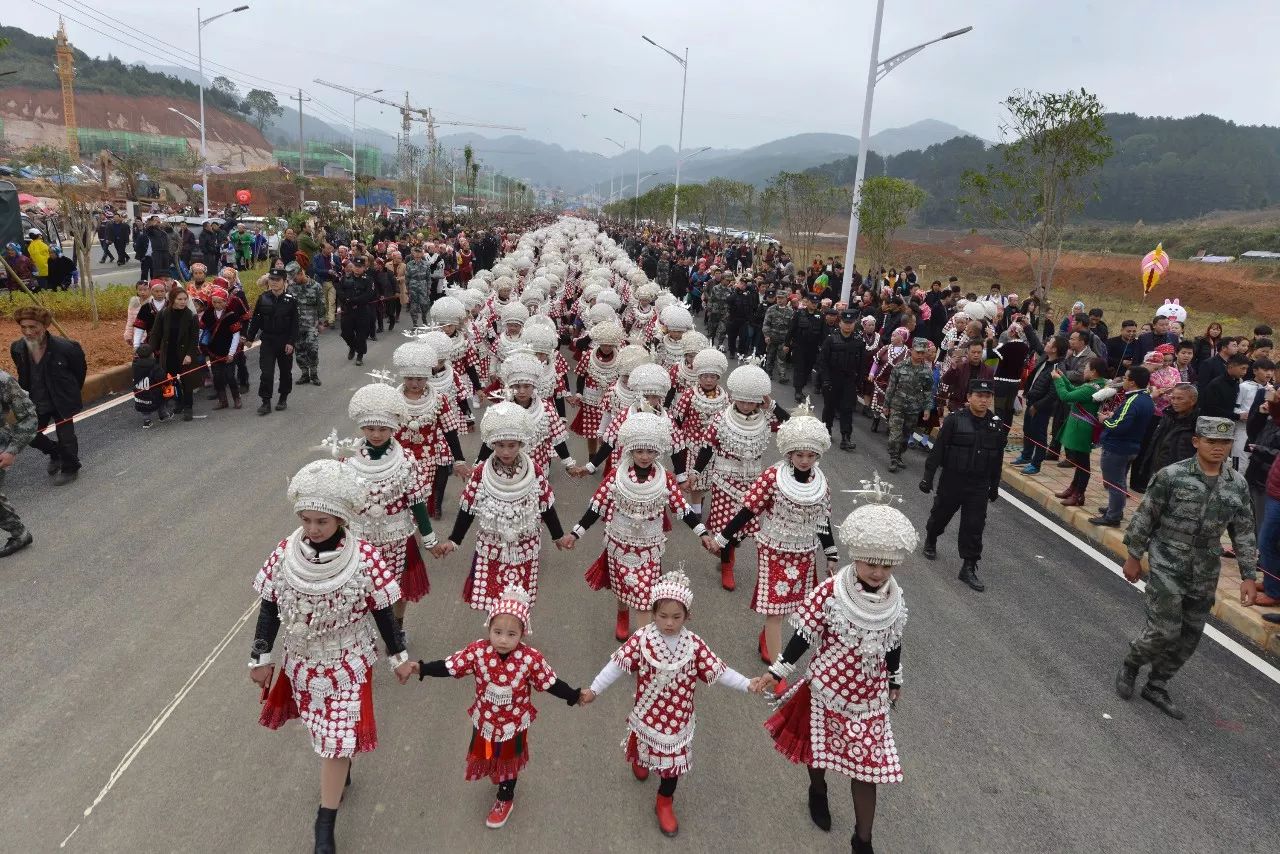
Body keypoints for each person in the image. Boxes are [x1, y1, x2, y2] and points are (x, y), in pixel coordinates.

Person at [249, 459, 415, 854]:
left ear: (340, 519)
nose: (312, 528)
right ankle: (340, 772)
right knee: (324, 737)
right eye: (305, 519)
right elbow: (270, 605)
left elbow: (382, 611)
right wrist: (260, 657)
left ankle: (325, 824)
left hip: (348, 664)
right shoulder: (285, 552)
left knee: (335, 743)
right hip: (302, 663)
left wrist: (399, 656)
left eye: (321, 521)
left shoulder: (366, 559)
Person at [755, 477, 916, 854]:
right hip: (826, 687)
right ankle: (818, 789)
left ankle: (863, 841)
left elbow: (892, 639)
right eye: (871, 564)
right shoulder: (831, 591)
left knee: (868, 769)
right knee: (820, 750)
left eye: (886, 567)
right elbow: (803, 635)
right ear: (856, 556)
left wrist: (894, 677)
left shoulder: (895, 597)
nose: (878, 573)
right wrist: (777, 670)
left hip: (869, 696)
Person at [580, 570, 758, 838]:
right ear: (652, 613)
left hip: (678, 720)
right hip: (648, 713)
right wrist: (594, 689)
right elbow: (617, 666)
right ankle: (640, 758)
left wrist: (747, 683)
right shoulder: (642, 639)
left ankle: (664, 800)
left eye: (676, 617)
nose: (669, 623)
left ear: (688, 616)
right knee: (644, 742)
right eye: (662, 616)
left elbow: (719, 671)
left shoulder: (694, 645)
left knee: (672, 766)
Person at [1116, 417, 1259, 720]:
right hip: (1168, 559)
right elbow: (1145, 517)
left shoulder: (1237, 484)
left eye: (1224, 443)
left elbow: (1244, 531)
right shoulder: (1172, 475)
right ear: (1197, 442)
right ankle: (1132, 663)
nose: (1218, 448)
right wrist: (1133, 555)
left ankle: (1157, 684)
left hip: (1206, 566)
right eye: (1212, 442)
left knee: (1190, 633)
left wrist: (1248, 576)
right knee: (1165, 630)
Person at [408, 585, 581, 829]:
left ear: (523, 633)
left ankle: (505, 798)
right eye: (497, 631)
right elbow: (450, 666)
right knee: (489, 754)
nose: (502, 639)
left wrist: (574, 695)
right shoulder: (478, 652)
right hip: (486, 721)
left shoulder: (530, 659)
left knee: (508, 762)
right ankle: (497, 773)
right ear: (488, 628)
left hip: (514, 724)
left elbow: (550, 683)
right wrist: (422, 668)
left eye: (511, 634)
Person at [569, 412, 714, 641]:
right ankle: (621, 614)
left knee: (646, 596)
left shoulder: (665, 478)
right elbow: (596, 507)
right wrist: (575, 534)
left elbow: (682, 509)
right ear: (630, 450)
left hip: (649, 548)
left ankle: (641, 645)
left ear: (658, 451)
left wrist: (702, 533)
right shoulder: (616, 476)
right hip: (619, 543)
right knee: (623, 589)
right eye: (639, 451)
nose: (645, 456)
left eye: (650, 451)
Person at [711, 402, 836, 667]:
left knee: (793, 605)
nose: (804, 460)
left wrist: (831, 554)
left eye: (810, 455)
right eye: (799, 454)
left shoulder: (821, 483)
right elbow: (748, 510)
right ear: (789, 452)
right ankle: (778, 669)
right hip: (773, 548)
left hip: (805, 550)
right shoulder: (772, 476)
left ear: (818, 455)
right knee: (775, 608)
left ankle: (767, 638)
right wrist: (723, 538)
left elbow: (823, 520)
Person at [435, 398, 566, 611]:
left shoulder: (534, 471)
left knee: (519, 601)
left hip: (525, 545)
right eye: (500, 445)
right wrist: (454, 540)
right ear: (492, 444)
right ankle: (497, 639)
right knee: (493, 599)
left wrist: (558, 536)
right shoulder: (480, 473)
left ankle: (515, 638)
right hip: (492, 545)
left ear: (522, 443)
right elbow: (468, 509)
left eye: (512, 445)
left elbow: (546, 506)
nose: (506, 452)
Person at [342, 383, 438, 632]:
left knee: (399, 588)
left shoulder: (406, 460)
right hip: (360, 537)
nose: (376, 434)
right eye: (370, 428)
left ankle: (397, 624)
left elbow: (416, 500)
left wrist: (429, 538)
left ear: (394, 428)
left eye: (383, 428)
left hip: (398, 536)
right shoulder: (349, 459)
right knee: (361, 586)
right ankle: (364, 626)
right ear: (362, 427)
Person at [688, 364, 789, 590]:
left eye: (750, 401)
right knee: (727, 526)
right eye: (741, 400)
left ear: (758, 401)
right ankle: (727, 566)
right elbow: (707, 447)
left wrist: (772, 404)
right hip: (724, 480)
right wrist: (696, 472)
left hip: (753, 482)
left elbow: (790, 425)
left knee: (742, 530)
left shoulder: (765, 418)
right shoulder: (720, 419)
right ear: (734, 398)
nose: (745, 405)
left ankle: (726, 549)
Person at [918, 379, 1003, 592]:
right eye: (979, 395)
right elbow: (938, 450)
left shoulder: (995, 424)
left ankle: (968, 567)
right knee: (941, 516)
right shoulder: (955, 420)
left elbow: (997, 457)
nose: (983, 400)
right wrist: (928, 477)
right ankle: (931, 538)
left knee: (974, 526)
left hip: (979, 484)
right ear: (969, 397)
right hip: (953, 480)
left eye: (987, 396)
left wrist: (995, 485)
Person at [9, 307, 86, 483]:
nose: (28, 332)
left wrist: (70, 393)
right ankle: (55, 452)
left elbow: (79, 372)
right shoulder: (18, 348)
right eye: (23, 327)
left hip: (61, 400)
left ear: (44, 326)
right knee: (30, 435)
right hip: (35, 401)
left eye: (33, 327)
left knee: (66, 437)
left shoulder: (67, 347)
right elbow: (22, 372)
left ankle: (71, 467)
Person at [1089, 366, 1155, 527]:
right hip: (1132, 445)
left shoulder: (1133, 400)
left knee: (1113, 482)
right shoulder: (1146, 399)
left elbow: (1120, 425)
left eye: (1125, 378)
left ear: (1132, 382)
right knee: (1119, 480)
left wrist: (1105, 420)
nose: (1123, 381)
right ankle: (1114, 508)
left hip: (1118, 446)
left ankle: (1113, 516)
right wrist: (1114, 416)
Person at [1051, 357, 1108, 506]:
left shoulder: (1091, 387)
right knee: (1080, 460)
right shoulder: (1096, 384)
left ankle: (1079, 494)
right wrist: (1063, 377)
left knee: (1083, 464)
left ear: (1094, 372)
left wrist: (1057, 380)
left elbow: (1066, 396)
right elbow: (1074, 390)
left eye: (1087, 368)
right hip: (1081, 427)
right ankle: (1073, 488)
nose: (1084, 371)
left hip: (1083, 428)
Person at [246, 269, 299, 415]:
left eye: (277, 279)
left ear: (284, 281)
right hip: (268, 340)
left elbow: (295, 323)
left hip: (284, 341)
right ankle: (265, 401)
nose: (274, 282)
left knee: (285, 372)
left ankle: (283, 397)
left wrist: (291, 342)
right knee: (266, 373)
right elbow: (256, 319)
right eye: (271, 279)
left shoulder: (291, 300)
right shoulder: (263, 298)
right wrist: (250, 338)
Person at [148, 285, 200, 421]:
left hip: (184, 354)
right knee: (171, 381)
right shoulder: (163, 314)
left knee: (186, 381)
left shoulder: (191, 316)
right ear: (172, 299)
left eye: (185, 299)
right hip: (168, 353)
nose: (183, 302)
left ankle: (188, 407)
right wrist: (149, 351)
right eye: (179, 299)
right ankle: (179, 402)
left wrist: (190, 354)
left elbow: (195, 338)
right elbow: (155, 334)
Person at [816, 309, 866, 451]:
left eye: (851, 323)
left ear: (855, 323)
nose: (848, 326)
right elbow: (823, 361)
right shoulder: (831, 339)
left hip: (849, 380)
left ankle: (846, 437)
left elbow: (862, 364)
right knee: (829, 408)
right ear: (840, 322)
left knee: (847, 409)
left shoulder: (858, 341)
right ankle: (826, 431)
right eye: (845, 322)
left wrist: (859, 382)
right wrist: (825, 380)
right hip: (832, 379)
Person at [884, 338, 935, 473]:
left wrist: (927, 408)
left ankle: (899, 455)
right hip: (897, 406)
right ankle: (893, 458)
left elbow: (929, 391)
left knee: (906, 436)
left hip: (913, 409)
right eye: (918, 352)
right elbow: (891, 387)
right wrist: (886, 405)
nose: (920, 355)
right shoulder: (899, 367)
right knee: (895, 435)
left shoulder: (927, 371)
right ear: (911, 351)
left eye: (923, 353)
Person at [198, 287, 243, 411]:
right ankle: (222, 400)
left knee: (230, 376)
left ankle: (237, 398)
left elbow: (236, 335)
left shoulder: (232, 315)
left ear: (226, 302)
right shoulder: (208, 313)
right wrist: (199, 344)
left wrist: (231, 353)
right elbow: (201, 329)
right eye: (214, 302)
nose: (217, 305)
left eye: (220, 302)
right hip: (213, 352)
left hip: (228, 352)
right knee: (217, 377)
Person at [288, 261, 325, 387]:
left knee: (312, 349)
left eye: (294, 277)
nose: (293, 280)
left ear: (301, 273)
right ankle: (304, 374)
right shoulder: (291, 287)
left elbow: (321, 305)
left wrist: (321, 322)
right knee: (299, 351)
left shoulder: (316, 286)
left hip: (311, 324)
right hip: (296, 325)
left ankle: (314, 374)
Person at [785, 293, 825, 402]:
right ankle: (798, 391)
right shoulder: (799, 313)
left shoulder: (820, 316)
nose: (814, 305)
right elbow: (791, 329)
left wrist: (823, 348)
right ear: (807, 302)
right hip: (799, 347)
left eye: (816, 303)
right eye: (812, 302)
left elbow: (823, 334)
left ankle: (801, 387)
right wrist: (787, 344)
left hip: (812, 348)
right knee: (799, 369)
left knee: (807, 370)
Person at [1199, 353, 1249, 419]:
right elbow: (1211, 409)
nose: (1245, 372)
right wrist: (1237, 416)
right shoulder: (1216, 384)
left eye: (1246, 369)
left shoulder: (1237, 383)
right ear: (1231, 366)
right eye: (1242, 368)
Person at [762, 289, 795, 383]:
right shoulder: (771, 309)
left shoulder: (790, 311)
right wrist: (766, 335)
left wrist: (790, 341)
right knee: (770, 356)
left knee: (782, 358)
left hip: (784, 338)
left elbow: (791, 327)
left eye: (782, 298)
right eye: (778, 298)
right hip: (772, 337)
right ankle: (768, 373)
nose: (779, 300)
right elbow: (766, 324)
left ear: (786, 299)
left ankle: (782, 376)